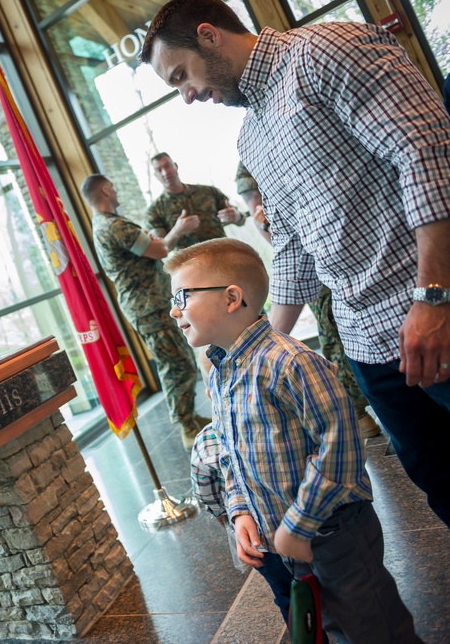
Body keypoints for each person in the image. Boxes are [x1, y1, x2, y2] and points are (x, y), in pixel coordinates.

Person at [140, 0, 450, 528]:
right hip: (368, 344)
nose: (186, 96)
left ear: (210, 36)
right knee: (437, 476)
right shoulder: (253, 136)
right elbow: (293, 247)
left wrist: (434, 297)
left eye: (179, 76)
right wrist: (249, 349)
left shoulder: (326, 50)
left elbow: (426, 152)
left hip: (431, 313)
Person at [166, 238, 421, 643]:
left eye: (182, 296)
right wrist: (240, 511)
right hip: (286, 536)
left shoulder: (291, 362)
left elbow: (341, 449)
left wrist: (298, 525)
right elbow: (230, 453)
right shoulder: (221, 373)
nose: (173, 309)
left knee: (374, 629)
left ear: (232, 298)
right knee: (333, 627)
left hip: (333, 534)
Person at [234, 163, 381, 439]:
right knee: (334, 334)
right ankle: (357, 412)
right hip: (312, 264)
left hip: (347, 252)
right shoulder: (251, 161)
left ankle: (364, 409)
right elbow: (262, 219)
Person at [81, 174, 207, 451]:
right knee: (177, 365)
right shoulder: (114, 225)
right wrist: (179, 229)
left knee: (180, 360)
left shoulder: (108, 224)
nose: (116, 191)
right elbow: (159, 248)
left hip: (151, 305)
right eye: (113, 187)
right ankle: (186, 426)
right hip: (148, 308)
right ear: (105, 189)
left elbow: (146, 247)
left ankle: (190, 416)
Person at [190, 422, 291, 624]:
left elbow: (206, 493)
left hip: (257, 540)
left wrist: (225, 519)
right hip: (296, 521)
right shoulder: (267, 422)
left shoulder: (204, 440)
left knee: (286, 594)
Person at [147, 152, 245, 252]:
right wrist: (177, 230)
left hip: (223, 253)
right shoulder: (155, 210)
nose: (165, 172)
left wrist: (236, 216)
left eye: (167, 166)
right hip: (190, 264)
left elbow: (241, 220)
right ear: (155, 175)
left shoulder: (209, 192)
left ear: (175, 166)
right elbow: (162, 248)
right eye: (159, 170)